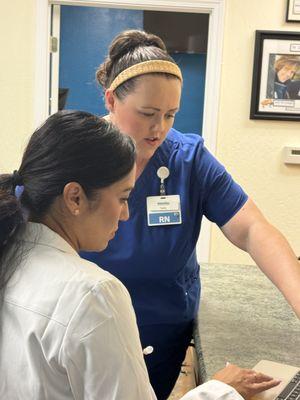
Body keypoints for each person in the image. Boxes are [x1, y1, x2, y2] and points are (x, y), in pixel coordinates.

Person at [81, 30, 300, 400]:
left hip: (163, 327)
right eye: (147, 114)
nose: (159, 128)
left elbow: (251, 229)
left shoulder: (189, 158)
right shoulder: (78, 155)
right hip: (90, 324)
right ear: (111, 101)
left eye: (170, 115)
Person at [0, 110, 280, 399]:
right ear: (75, 198)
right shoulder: (93, 295)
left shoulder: (10, 256)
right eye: (122, 198)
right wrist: (222, 391)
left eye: (171, 113)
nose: (126, 214)